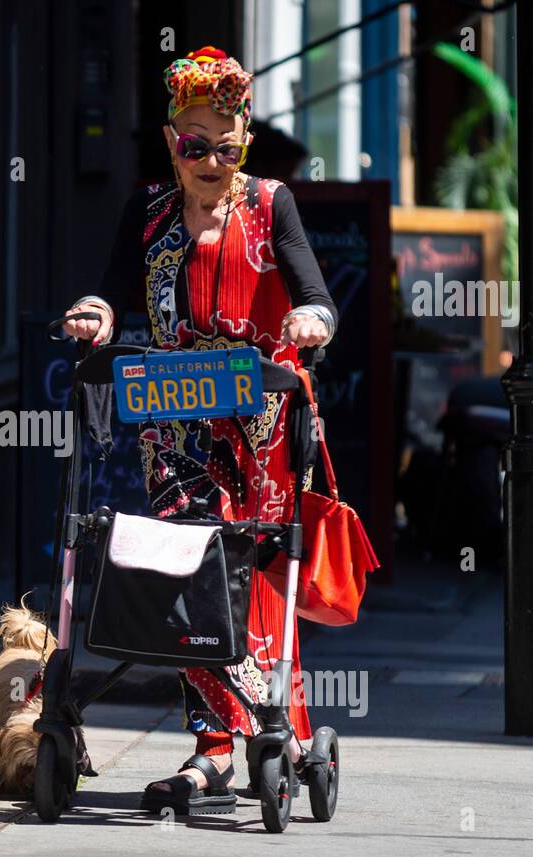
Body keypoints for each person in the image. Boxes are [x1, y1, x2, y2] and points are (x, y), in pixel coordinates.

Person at [61, 46, 339, 814]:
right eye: (194, 145)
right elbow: (115, 295)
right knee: (190, 566)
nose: (211, 161)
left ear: (244, 141)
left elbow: (315, 290)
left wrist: (311, 318)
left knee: (250, 573)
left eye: (226, 145)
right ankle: (224, 744)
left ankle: (248, 737)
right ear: (169, 143)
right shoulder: (147, 212)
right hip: (174, 416)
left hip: (259, 415)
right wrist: (98, 313)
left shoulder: (271, 202)